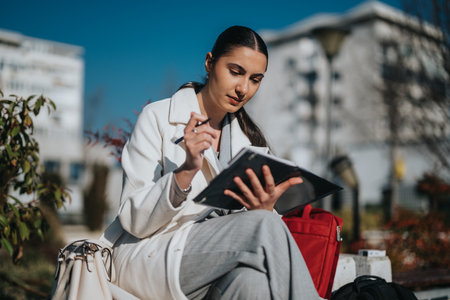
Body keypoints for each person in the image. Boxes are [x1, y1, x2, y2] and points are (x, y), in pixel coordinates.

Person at [101, 25, 320, 300]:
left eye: (255, 79)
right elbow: (133, 221)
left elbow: (254, 232)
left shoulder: (250, 142)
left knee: (252, 282)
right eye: (235, 72)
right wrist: (186, 171)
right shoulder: (157, 117)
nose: (243, 89)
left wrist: (264, 208)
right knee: (265, 225)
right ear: (209, 63)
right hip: (151, 258)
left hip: (215, 263)